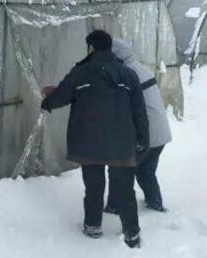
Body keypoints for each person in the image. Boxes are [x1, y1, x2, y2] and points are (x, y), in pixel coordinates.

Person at [40, 30, 149, 249]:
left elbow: (62, 95)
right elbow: (139, 112)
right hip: (121, 144)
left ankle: (92, 226)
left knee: (94, 187)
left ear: (91, 47)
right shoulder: (128, 75)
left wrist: (47, 102)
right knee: (125, 189)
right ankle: (132, 234)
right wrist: (143, 140)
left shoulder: (80, 73)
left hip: (89, 143)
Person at [106, 40, 172, 213]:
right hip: (160, 132)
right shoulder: (139, 67)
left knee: (119, 169)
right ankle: (155, 203)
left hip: (147, 134)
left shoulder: (126, 73)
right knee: (146, 172)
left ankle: (115, 207)